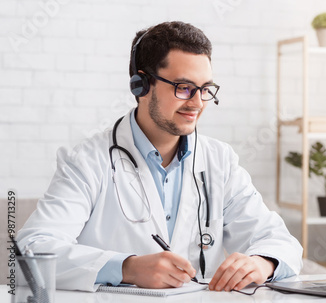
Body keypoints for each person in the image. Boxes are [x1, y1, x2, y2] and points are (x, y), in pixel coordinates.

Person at [17, 21, 302, 292]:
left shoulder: (220, 160)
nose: (197, 103)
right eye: (184, 88)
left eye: (205, 89)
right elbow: (32, 251)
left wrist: (262, 263)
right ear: (140, 86)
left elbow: (280, 241)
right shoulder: (87, 160)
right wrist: (126, 268)